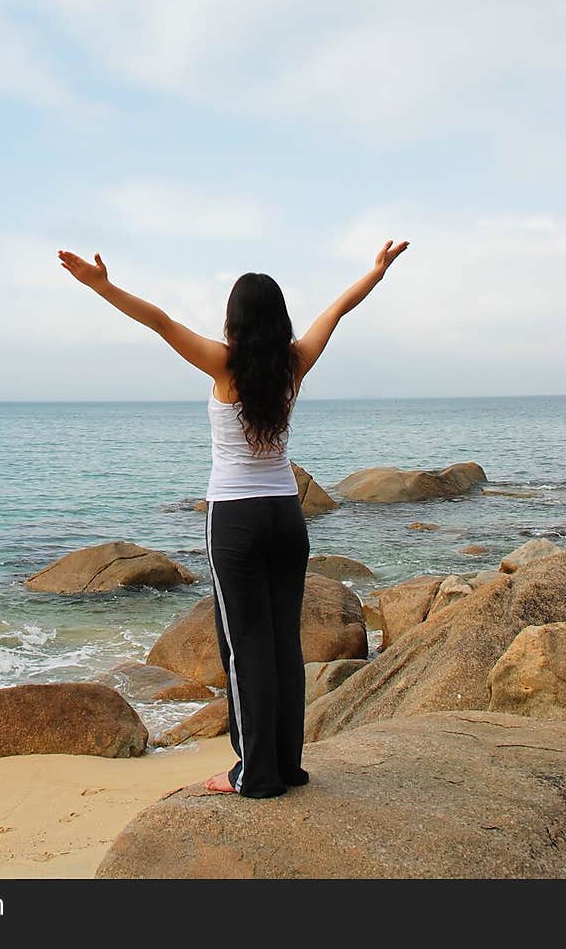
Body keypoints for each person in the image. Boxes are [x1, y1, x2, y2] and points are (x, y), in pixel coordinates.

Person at [57, 238, 409, 797]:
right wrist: (377, 273)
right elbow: (337, 309)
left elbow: (161, 322)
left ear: (234, 321)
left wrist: (101, 289)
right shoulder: (295, 362)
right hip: (286, 520)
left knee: (245, 647)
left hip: (238, 521)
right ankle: (287, 764)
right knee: (282, 645)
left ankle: (255, 773)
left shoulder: (224, 364)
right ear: (279, 320)